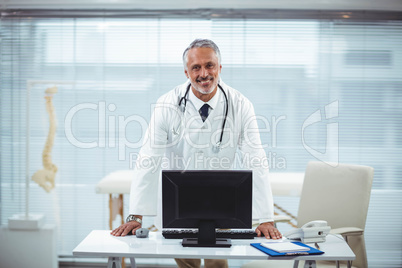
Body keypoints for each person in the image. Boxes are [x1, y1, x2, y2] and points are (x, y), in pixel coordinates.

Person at [111, 39, 282, 268]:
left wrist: (266, 218)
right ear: (186, 72)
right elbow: (148, 158)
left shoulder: (241, 105)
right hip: (178, 204)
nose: (204, 73)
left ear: (220, 67)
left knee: (217, 263)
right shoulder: (166, 105)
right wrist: (136, 216)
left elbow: (256, 159)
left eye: (210, 65)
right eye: (196, 67)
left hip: (223, 202)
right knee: (187, 263)